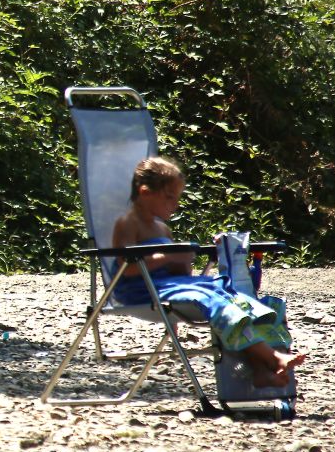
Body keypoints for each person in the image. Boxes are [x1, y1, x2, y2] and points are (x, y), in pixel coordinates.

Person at [111, 157, 306, 388]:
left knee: (228, 292)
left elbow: (176, 270)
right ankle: (272, 357)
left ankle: (259, 369)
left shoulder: (162, 228)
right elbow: (128, 267)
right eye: (169, 197)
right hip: (137, 291)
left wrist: (183, 261)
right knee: (212, 296)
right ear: (145, 192)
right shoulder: (128, 223)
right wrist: (170, 256)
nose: (175, 204)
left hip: (167, 287)